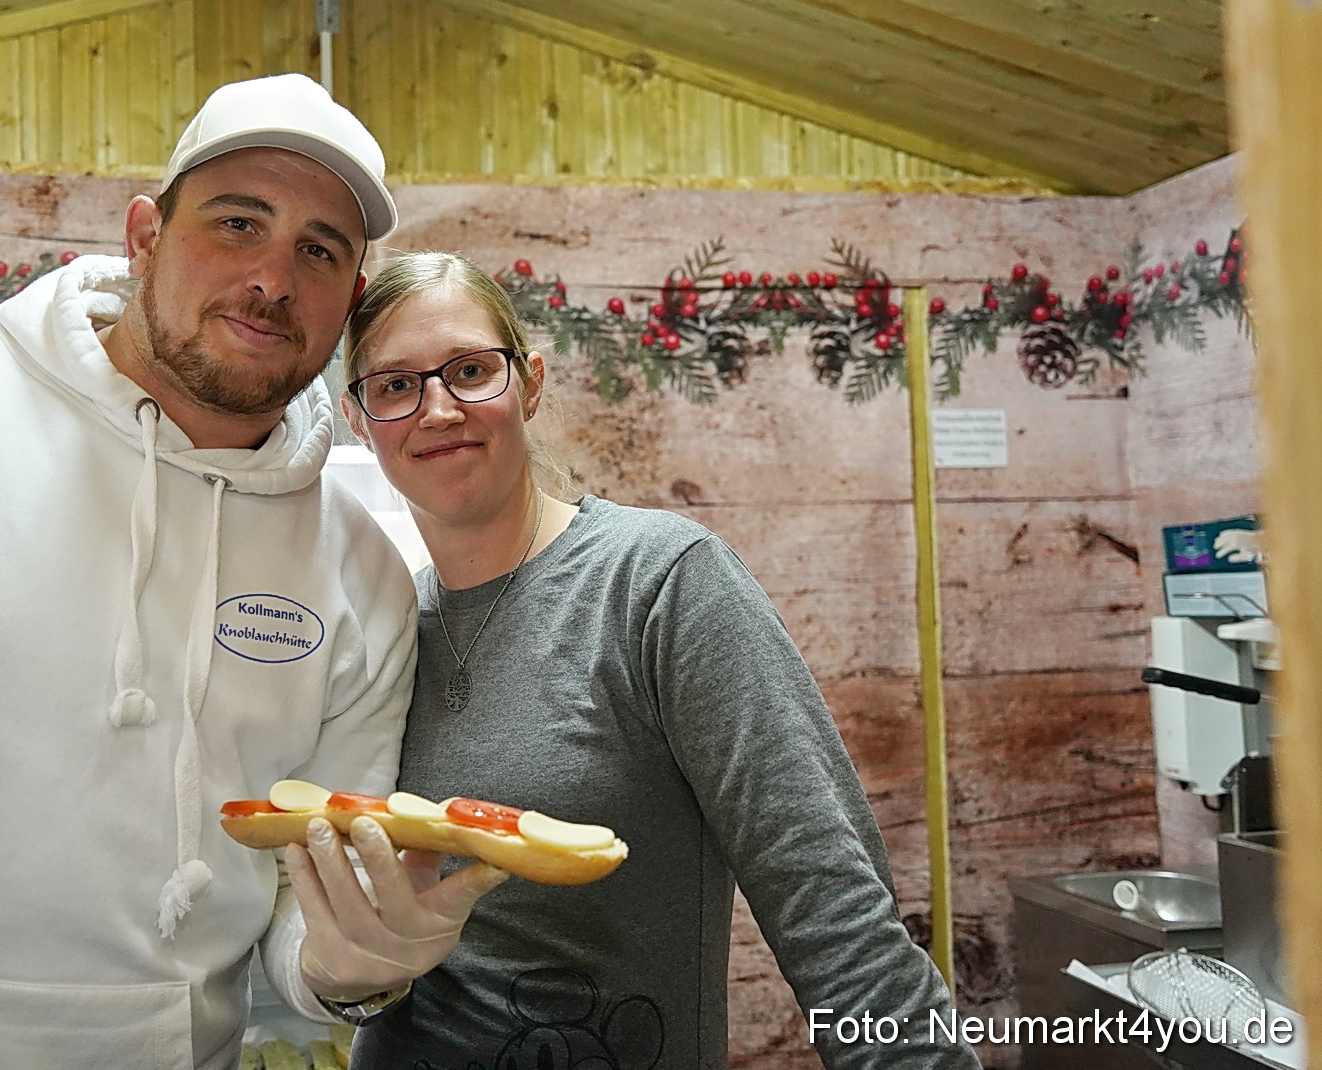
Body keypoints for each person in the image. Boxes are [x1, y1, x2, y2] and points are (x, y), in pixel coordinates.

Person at [0, 74, 501, 1070]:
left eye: (318, 250)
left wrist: (357, 960)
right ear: (145, 234)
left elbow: (303, 914)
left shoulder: (362, 568)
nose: (274, 280)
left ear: (347, 301)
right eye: (238, 223)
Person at [321, 250, 983, 1069]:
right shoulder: (384, 625)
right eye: (394, 385)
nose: (439, 408)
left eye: (468, 369)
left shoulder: (660, 583)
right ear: (359, 419)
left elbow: (833, 908)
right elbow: (357, 940)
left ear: (528, 383)